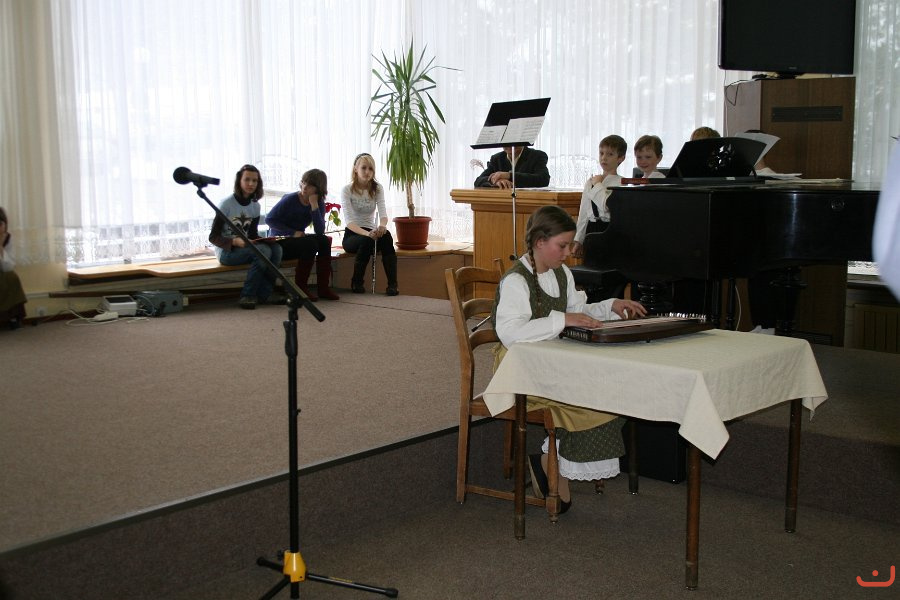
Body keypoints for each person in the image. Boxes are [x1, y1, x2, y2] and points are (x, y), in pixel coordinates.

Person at [492, 205, 646, 512]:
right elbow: (510, 333)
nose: (567, 253)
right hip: (520, 370)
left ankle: (552, 459)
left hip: (553, 364)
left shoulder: (560, 273)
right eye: (561, 246)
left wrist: (610, 306)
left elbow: (578, 312)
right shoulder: (516, 281)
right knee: (590, 400)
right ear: (539, 242)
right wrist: (561, 320)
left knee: (614, 393)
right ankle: (555, 461)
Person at [208, 164, 285, 309]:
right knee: (263, 251)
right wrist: (234, 242)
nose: (251, 184)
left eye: (254, 181)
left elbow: (252, 234)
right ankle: (247, 295)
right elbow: (213, 237)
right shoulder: (226, 204)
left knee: (276, 249)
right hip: (227, 251)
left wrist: (265, 239)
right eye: (247, 180)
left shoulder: (255, 206)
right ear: (239, 181)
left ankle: (265, 294)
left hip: (245, 247)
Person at [266, 169, 340, 301]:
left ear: (318, 189)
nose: (305, 187)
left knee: (324, 241)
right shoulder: (290, 199)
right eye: (304, 182)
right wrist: (292, 232)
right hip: (280, 241)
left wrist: (314, 206)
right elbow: (270, 220)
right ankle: (300, 288)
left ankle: (323, 288)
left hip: (298, 241)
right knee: (310, 244)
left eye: (310, 185)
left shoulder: (318, 202)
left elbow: (319, 231)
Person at [341, 153, 399, 295]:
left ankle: (393, 285)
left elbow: (383, 214)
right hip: (353, 235)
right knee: (366, 241)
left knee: (386, 236)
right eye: (364, 168)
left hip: (371, 233)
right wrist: (368, 234)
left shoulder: (377, 188)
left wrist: (382, 226)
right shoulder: (347, 190)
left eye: (371, 169)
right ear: (356, 169)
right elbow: (349, 222)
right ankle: (357, 282)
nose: (367, 172)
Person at [571, 134, 628, 258]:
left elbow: (607, 206)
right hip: (592, 229)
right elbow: (584, 213)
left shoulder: (622, 183)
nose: (604, 158)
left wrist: (598, 185)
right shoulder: (591, 181)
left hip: (610, 229)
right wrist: (578, 240)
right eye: (601, 153)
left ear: (621, 158)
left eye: (610, 154)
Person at [0, 207, 27, 329]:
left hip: (3, 271)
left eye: (0, 224)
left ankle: (13, 317)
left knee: (12, 276)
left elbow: (8, 267)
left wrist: (0, 246)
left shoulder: (8, 238)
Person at [473, 146, 551, 189]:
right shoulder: (497, 158)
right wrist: (496, 181)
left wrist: (509, 175)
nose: (510, 144)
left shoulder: (537, 155)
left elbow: (543, 179)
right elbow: (478, 181)